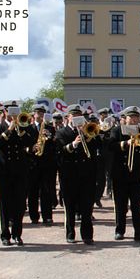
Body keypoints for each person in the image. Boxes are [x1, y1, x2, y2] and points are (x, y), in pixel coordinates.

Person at [0, 101, 37, 246]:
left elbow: (31, 141)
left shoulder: (24, 126)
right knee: (4, 203)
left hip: (20, 169)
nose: (13, 114)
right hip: (4, 170)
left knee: (19, 204)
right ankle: (5, 235)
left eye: (15, 111)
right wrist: (9, 130)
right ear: (4, 112)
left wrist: (21, 130)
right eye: (10, 111)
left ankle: (17, 234)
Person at [55, 104, 100, 244]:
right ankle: (70, 233)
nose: (75, 119)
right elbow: (59, 151)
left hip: (86, 174)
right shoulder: (62, 133)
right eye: (73, 116)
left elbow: (99, 146)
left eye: (78, 117)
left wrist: (89, 135)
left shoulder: (88, 131)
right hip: (69, 174)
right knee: (70, 206)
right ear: (67, 117)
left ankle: (87, 235)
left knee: (87, 205)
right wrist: (73, 144)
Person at [110, 106, 140, 241]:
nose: (133, 120)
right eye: (131, 118)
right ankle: (119, 231)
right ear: (125, 118)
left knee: (136, 205)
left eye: (136, 118)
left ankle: (139, 232)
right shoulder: (117, 130)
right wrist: (126, 143)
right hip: (120, 174)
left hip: (136, 174)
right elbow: (110, 146)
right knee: (120, 205)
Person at [27, 104, 56, 225]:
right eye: (38, 113)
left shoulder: (50, 128)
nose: (40, 115)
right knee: (32, 191)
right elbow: (24, 144)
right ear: (34, 115)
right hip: (32, 163)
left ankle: (47, 216)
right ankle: (34, 216)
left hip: (46, 163)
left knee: (46, 191)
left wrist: (48, 136)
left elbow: (54, 144)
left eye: (42, 113)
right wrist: (31, 148)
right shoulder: (28, 128)